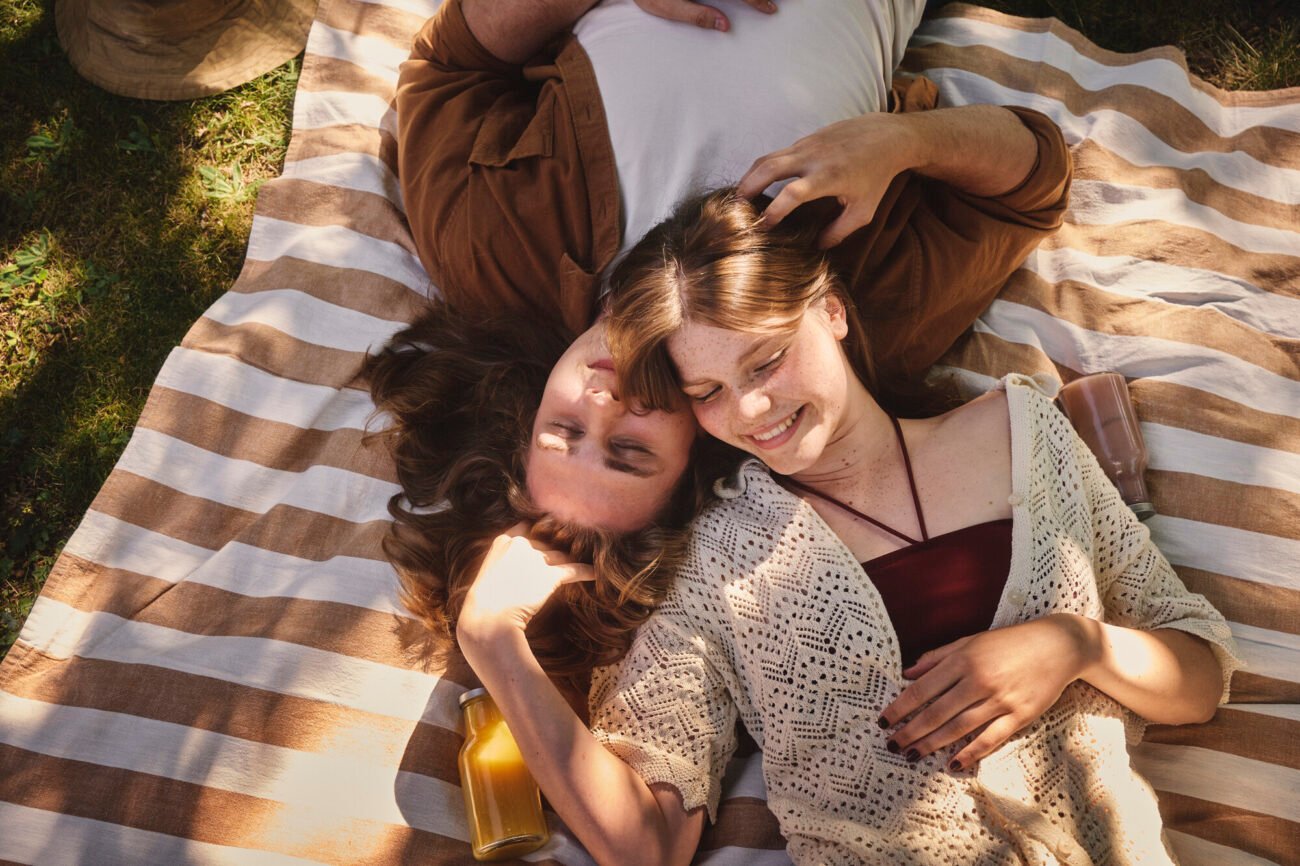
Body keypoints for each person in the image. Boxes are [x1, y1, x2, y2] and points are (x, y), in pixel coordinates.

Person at [452, 190, 1240, 864]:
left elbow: (1198, 676)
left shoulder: (1021, 429)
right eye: (708, 391)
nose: (751, 412)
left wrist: (1076, 644)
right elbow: (647, 842)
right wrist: (494, 646)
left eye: (764, 364)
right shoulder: (713, 561)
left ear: (829, 311)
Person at [375, 0, 1072, 674]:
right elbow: (1033, 181)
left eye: (564, 428)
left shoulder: (492, 255)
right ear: (696, 451)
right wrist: (904, 143)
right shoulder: (826, 331)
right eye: (630, 450)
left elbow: (448, 63)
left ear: (521, 418)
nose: (606, 401)